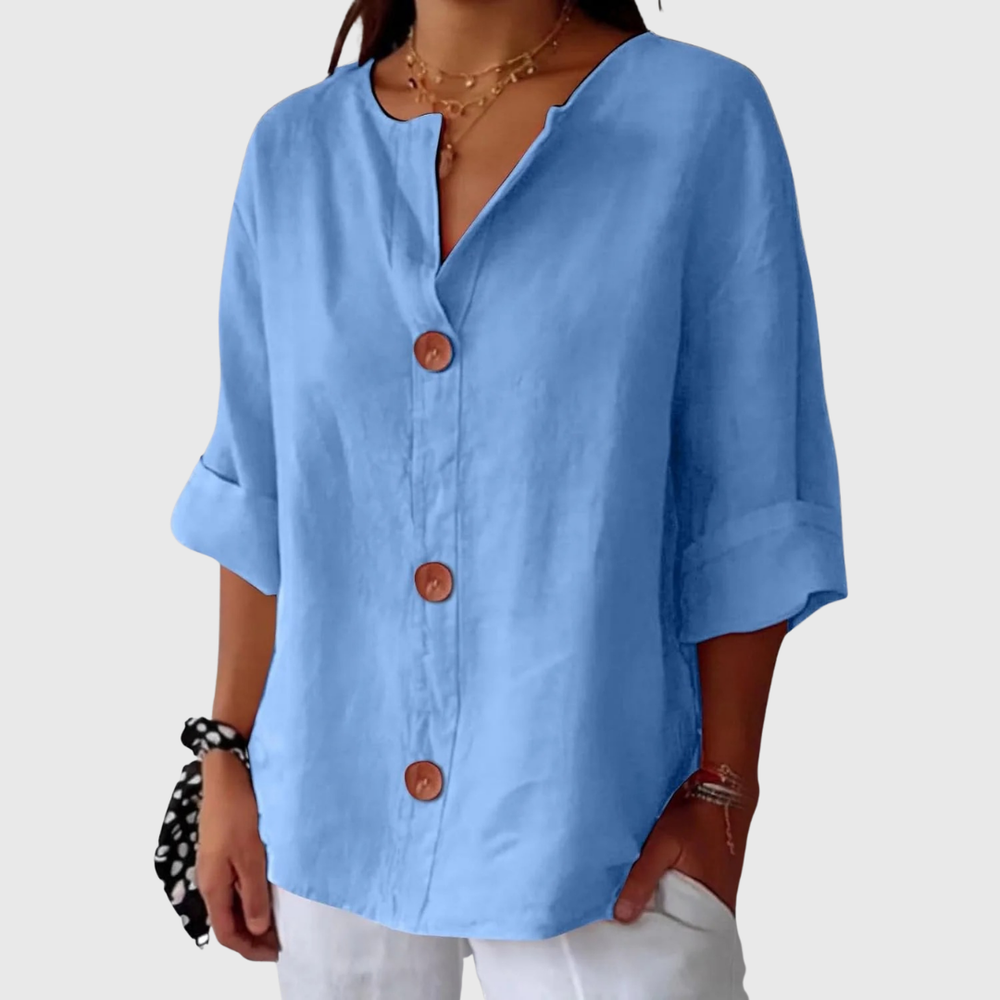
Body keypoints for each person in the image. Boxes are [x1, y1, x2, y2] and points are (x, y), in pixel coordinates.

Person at [167, 0, 848, 996]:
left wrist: (724, 792)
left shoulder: (700, 118)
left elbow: (748, 494)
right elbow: (260, 485)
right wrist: (225, 754)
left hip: (604, 825)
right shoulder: (293, 152)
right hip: (331, 814)